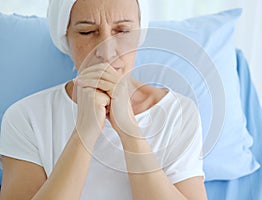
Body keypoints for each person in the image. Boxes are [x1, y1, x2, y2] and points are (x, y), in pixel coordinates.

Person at [0, 0, 207, 199]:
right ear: (66, 38)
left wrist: (130, 131)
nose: (107, 52)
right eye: (87, 32)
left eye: (123, 31)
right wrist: (84, 133)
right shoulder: (26, 117)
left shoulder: (177, 112)